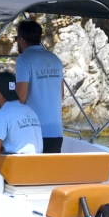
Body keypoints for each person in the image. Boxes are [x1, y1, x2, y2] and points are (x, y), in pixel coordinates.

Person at [15, 20, 64, 153]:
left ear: (21, 39)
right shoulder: (55, 59)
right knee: (50, 173)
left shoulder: (24, 60)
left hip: (34, 131)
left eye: (16, 39)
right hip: (56, 132)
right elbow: (61, 95)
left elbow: (21, 97)